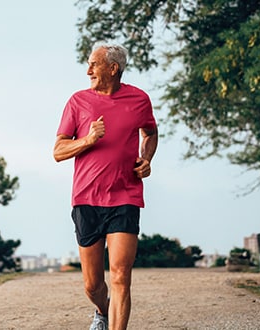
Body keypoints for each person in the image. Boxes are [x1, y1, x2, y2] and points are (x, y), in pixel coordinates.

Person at [53, 42, 158, 330]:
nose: (88, 70)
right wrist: (88, 139)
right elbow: (58, 151)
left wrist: (146, 159)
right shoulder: (78, 102)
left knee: (121, 275)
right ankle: (102, 310)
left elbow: (150, 132)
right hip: (86, 199)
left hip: (125, 195)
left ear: (113, 68)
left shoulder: (139, 100)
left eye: (94, 64)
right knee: (92, 284)